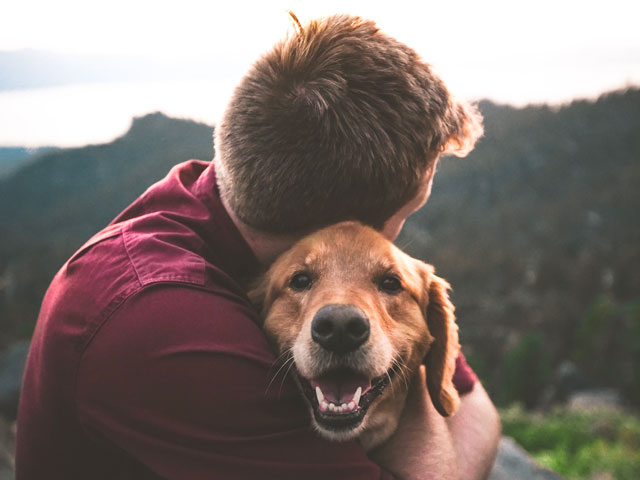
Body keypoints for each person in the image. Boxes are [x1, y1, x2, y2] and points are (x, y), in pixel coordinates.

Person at [16, 14, 500, 480]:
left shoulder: (224, 198)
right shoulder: (164, 323)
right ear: (343, 227)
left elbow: (475, 406)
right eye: (405, 215)